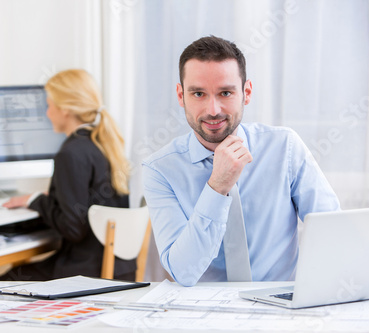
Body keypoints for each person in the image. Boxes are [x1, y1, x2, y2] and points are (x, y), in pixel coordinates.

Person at [142, 36, 340, 287]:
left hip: (280, 310)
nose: (212, 109)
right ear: (181, 96)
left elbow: (333, 233)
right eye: (198, 93)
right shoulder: (160, 170)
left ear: (246, 92)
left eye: (225, 92)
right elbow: (183, 272)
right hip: (203, 314)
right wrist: (217, 187)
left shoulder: (285, 148)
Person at [0, 69, 136, 281]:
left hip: (84, 274)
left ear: (65, 110)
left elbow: (73, 229)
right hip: (119, 269)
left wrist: (35, 200)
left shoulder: (70, 153)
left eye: (49, 105)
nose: (47, 113)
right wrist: (57, 196)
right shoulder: (105, 143)